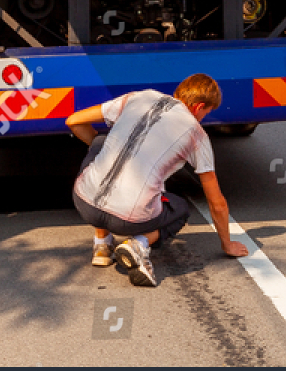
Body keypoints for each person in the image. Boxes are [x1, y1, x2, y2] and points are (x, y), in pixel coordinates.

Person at [66, 73, 247, 287]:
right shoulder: (196, 135)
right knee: (179, 209)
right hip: (128, 220)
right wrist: (227, 244)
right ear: (199, 107)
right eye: (207, 112)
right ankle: (139, 245)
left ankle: (102, 244)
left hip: (83, 202)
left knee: (99, 143)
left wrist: (104, 150)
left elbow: (74, 121)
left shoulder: (139, 97)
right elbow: (216, 202)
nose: (204, 117)